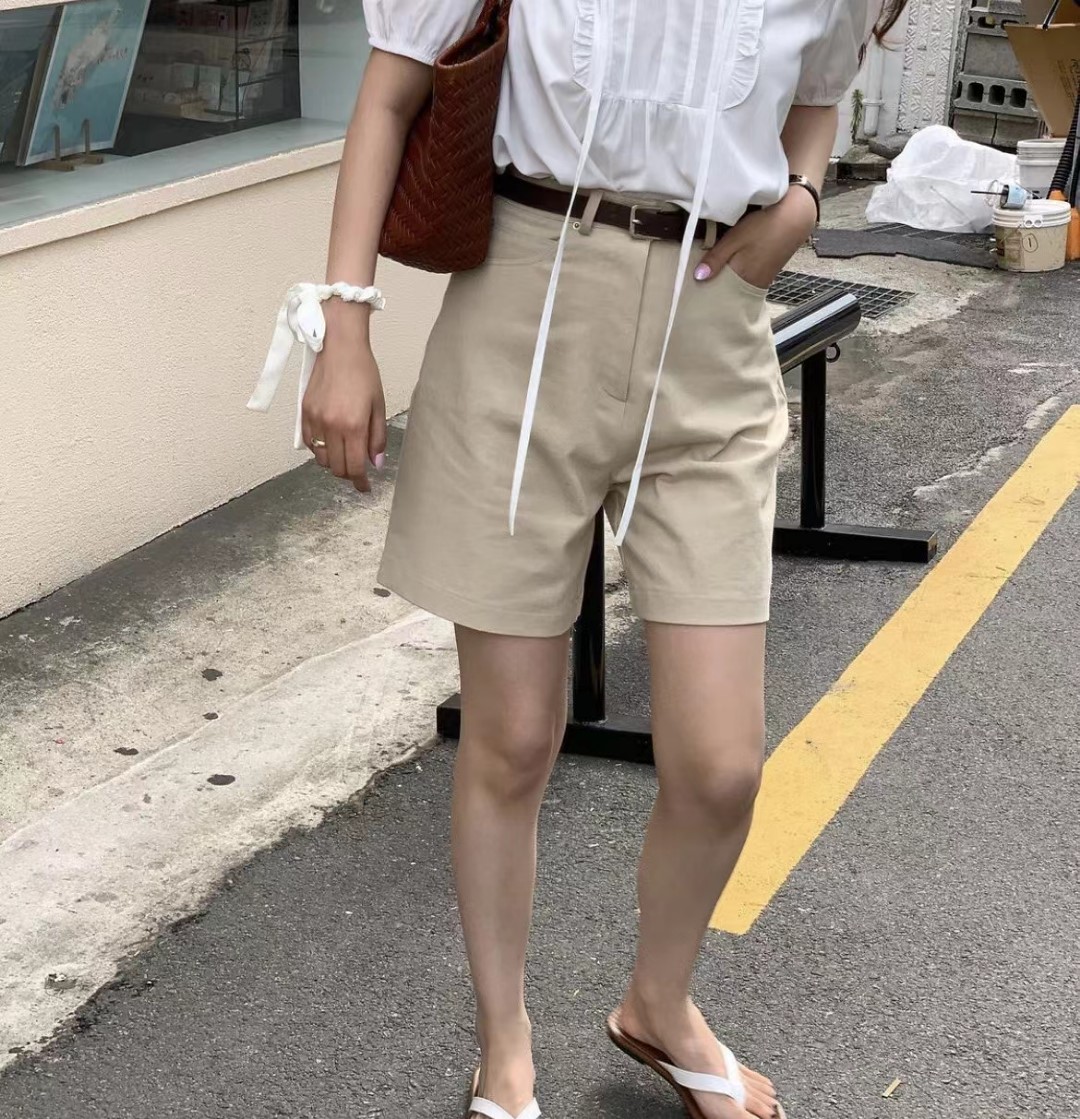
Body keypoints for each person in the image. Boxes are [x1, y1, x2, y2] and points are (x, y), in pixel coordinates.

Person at [270, 2, 909, 1116]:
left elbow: (820, 85)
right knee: (513, 737)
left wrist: (804, 200)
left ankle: (659, 1005)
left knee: (722, 765)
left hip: (713, 318)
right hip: (524, 299)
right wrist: (347, 326)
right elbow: (391, 89)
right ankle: (504, 1044)